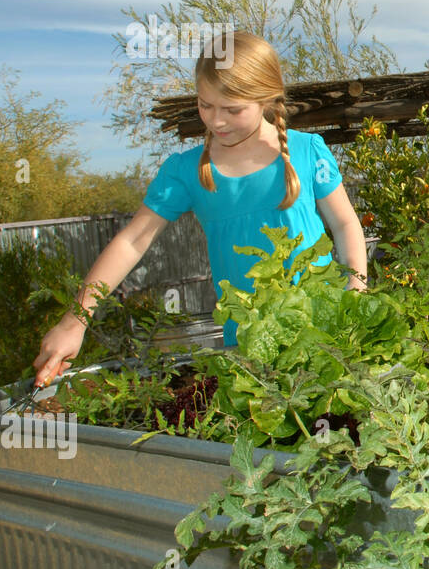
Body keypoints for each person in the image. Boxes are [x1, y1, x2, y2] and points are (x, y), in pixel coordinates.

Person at [33, 30, 367, 384]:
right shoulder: (186, 171)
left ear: (267, 98)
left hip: (327, 335)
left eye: (232, 109)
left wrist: (354, 295)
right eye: (205, 105)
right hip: (248, 348)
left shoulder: (307, 150)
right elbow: (132, 242)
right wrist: (74, 322)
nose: (216, 121)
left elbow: (345, 225)